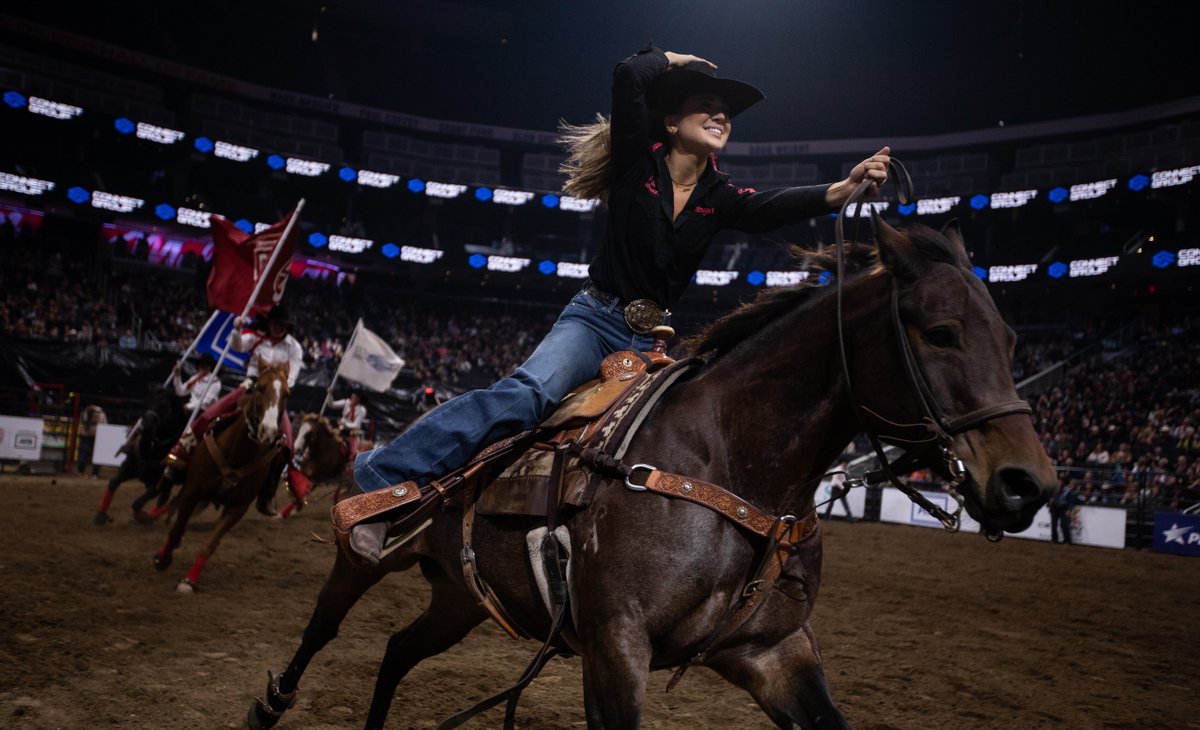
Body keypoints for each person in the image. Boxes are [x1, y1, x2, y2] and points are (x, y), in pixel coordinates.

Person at [346, 44, 891, 563]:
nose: (721, 116)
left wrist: (842, 189)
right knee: (527, 397)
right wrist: (672, 59)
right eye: (707, 106)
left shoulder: (720, 197)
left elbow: (775, 207)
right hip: (594, 321)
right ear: (672, 123)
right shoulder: (637, 161)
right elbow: (630, 76)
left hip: (652, 341)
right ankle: (380, 481)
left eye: (726, 113)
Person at [164, 306, 309, 514]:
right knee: (209, 414)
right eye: (275, 324)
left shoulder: (294, 347)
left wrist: (277, 384)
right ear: (269, 323)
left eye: (281, 325)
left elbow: (292, 375)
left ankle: (266, 494)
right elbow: (237, 345)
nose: (277, 328)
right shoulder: (256, 338)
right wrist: (236, 330)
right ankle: (181, 455)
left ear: (287, 327)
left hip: (274, 392)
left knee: (287, 444)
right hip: (250, 385)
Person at [76, 403, 107, 478]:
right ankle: (93, 473)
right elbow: (104, 424)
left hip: (90, 434)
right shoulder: (99, 413)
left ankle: (85, 472)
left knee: (85, 453)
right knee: (88, 453)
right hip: (91, 434)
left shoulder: (85, 413)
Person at [1048, 475, 1079, 544]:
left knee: (1064, 524)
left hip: (1063, 508)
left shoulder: (1068, 490)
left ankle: (1067, 540)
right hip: (1054, 508)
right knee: (1053, 524)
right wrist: (1050, 505)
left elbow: (1071, 502)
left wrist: (1069, 510)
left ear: (1063, 482)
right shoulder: (1054, 489)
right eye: (1058, 481)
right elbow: (1051, 498)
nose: (1059, 482)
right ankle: (1054, 539)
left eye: (1060, 481)